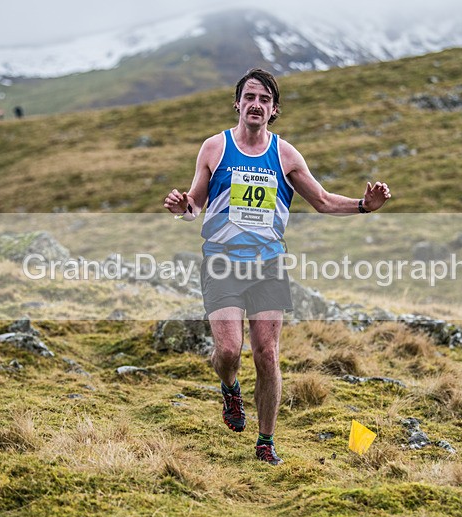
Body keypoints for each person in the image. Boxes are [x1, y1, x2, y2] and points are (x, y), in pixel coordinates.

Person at [163, 68, 391, 466]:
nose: (256, 104)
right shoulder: (214, 148)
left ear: (274, 109)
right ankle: (230, 388)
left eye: (264, 100)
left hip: (268, 266)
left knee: (267, 354)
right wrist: (183, 208)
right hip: (222, 264)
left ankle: (265, 441)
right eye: (249, 97)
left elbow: (320, 200)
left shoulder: (285, 155)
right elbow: (194, 203)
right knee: (229, 351)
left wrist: (362, 205)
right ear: (238, 103)